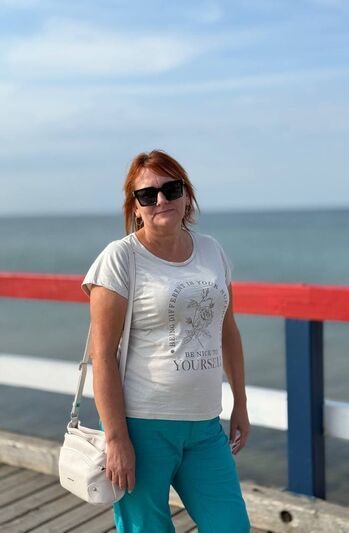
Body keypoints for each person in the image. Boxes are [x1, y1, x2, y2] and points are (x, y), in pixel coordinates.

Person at [81, 149, 251, 532]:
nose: (160, 199)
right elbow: (102, 355)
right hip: (142, 428)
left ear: (186, 195)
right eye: (147, 194)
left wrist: (240, 403)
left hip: (205, 426)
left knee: (231, 526)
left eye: (171, 188)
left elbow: (228, 331)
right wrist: (116, 439)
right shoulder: (120, 258)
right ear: (135, 207)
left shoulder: (212, 251)